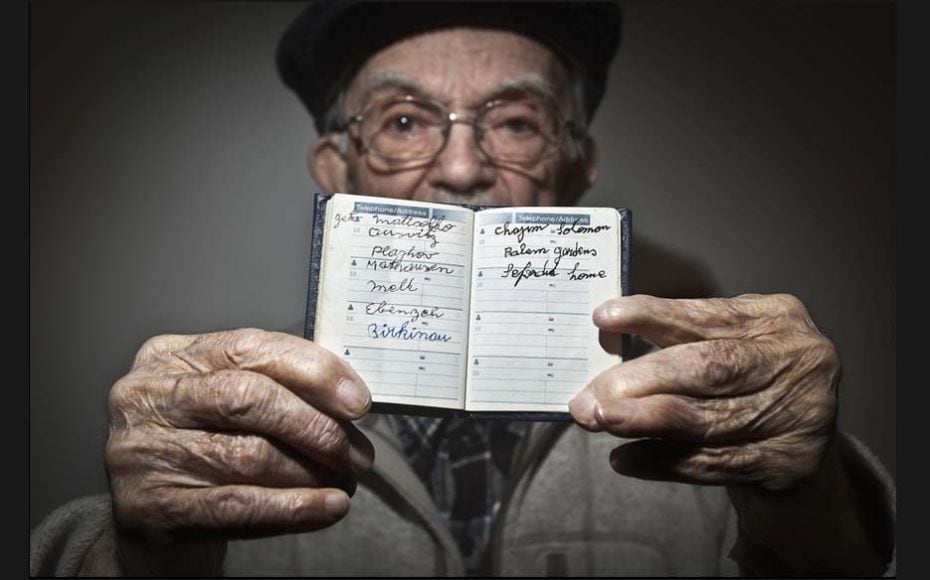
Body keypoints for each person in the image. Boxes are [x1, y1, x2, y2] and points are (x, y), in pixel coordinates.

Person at [30, 1, 895, 576]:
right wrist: (135, 552)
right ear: (336, 168)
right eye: (404, 122)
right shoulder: (230, 424)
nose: (460, 167)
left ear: (576, 162)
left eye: (514, 122)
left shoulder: (696, 434)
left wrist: (811, 491)